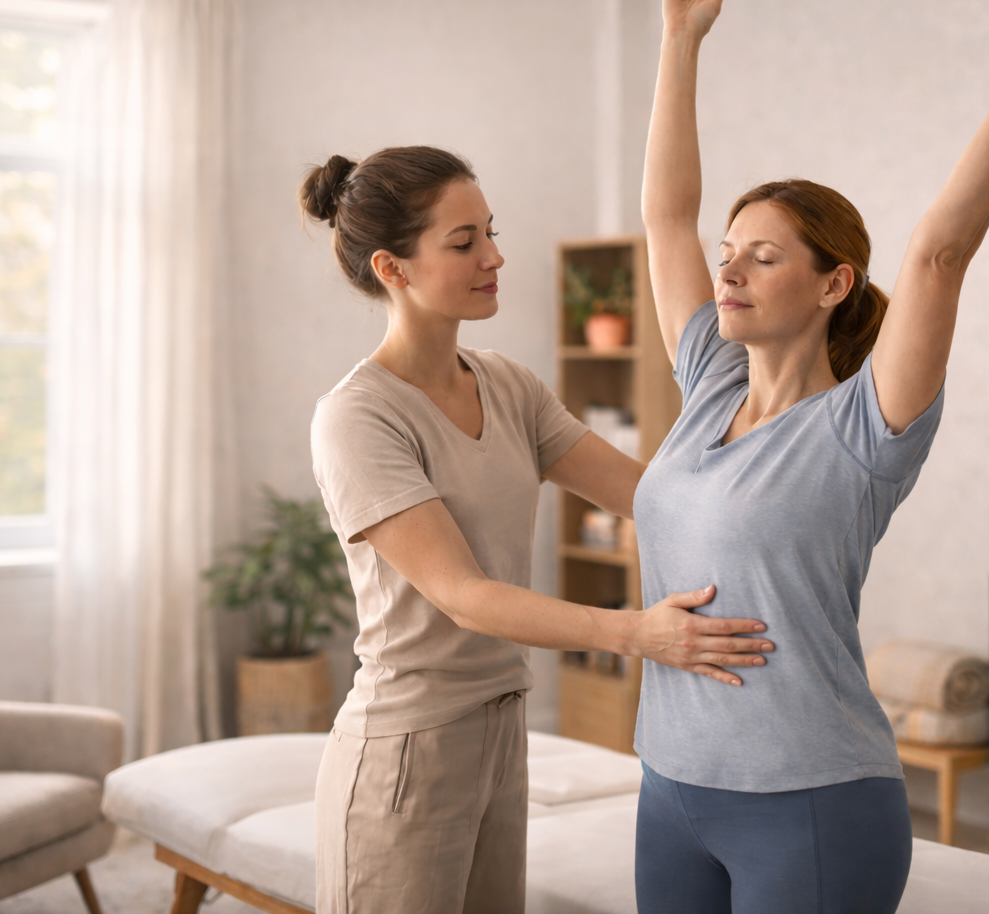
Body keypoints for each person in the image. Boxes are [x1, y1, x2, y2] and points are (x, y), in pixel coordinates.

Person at [632, 0, 989, 914]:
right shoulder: (708, 387)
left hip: (811, 800)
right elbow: (666, 217)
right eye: (731, 251)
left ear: (832, 283)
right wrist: (679, 41)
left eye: (763, 256)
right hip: (671, 791)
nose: (728, 269)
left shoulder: (866, 426)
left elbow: (940, 250)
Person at [299, 146, 775, 914]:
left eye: (489, 231)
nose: (495, 256)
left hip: (501, 728)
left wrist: (778, 477)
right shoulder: (359, 416)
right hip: (406, 748)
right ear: (393, 269)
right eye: (464, 243)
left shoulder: (508, 385)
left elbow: (649, 495)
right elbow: (464, 595)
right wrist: (638, 634)